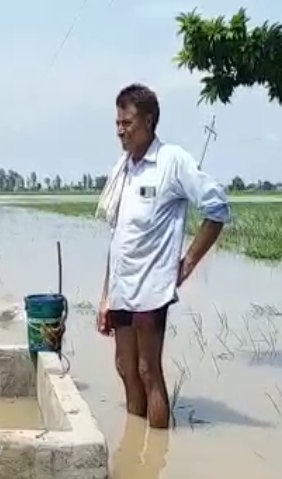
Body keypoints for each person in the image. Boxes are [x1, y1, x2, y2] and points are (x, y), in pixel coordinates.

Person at [95, 84, 231, 429]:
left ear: (149, 121)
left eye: (127, 123)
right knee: (125, 368)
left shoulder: (172, 162)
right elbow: (118, 238)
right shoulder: (123, 169)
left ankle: (157, 456)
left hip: (153, 288)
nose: (120, 131)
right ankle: (136, 447)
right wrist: (104, 297)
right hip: (122, 288)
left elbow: (217, 209)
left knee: (147, 369)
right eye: (117, 124)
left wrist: (187, 263)